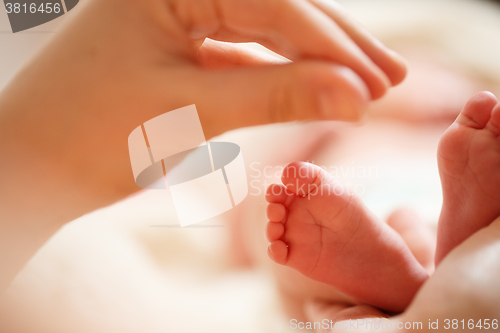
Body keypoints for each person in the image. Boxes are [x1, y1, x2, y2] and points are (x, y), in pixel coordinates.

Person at [0, 0, 407, 292]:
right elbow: (246, 218)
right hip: (354, 197)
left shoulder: (437, 116)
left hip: (409, 190)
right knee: (295, 245)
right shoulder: (327, 134)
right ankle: (391, 271)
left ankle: (401, 264)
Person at [265, 92, 500, 316]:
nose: (439, 97)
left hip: (366, 187)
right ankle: (443, 263)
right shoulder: (342, 125)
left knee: (281, 221)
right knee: (288, 213)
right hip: (421, 194)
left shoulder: (345, 132)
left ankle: (394, 284)